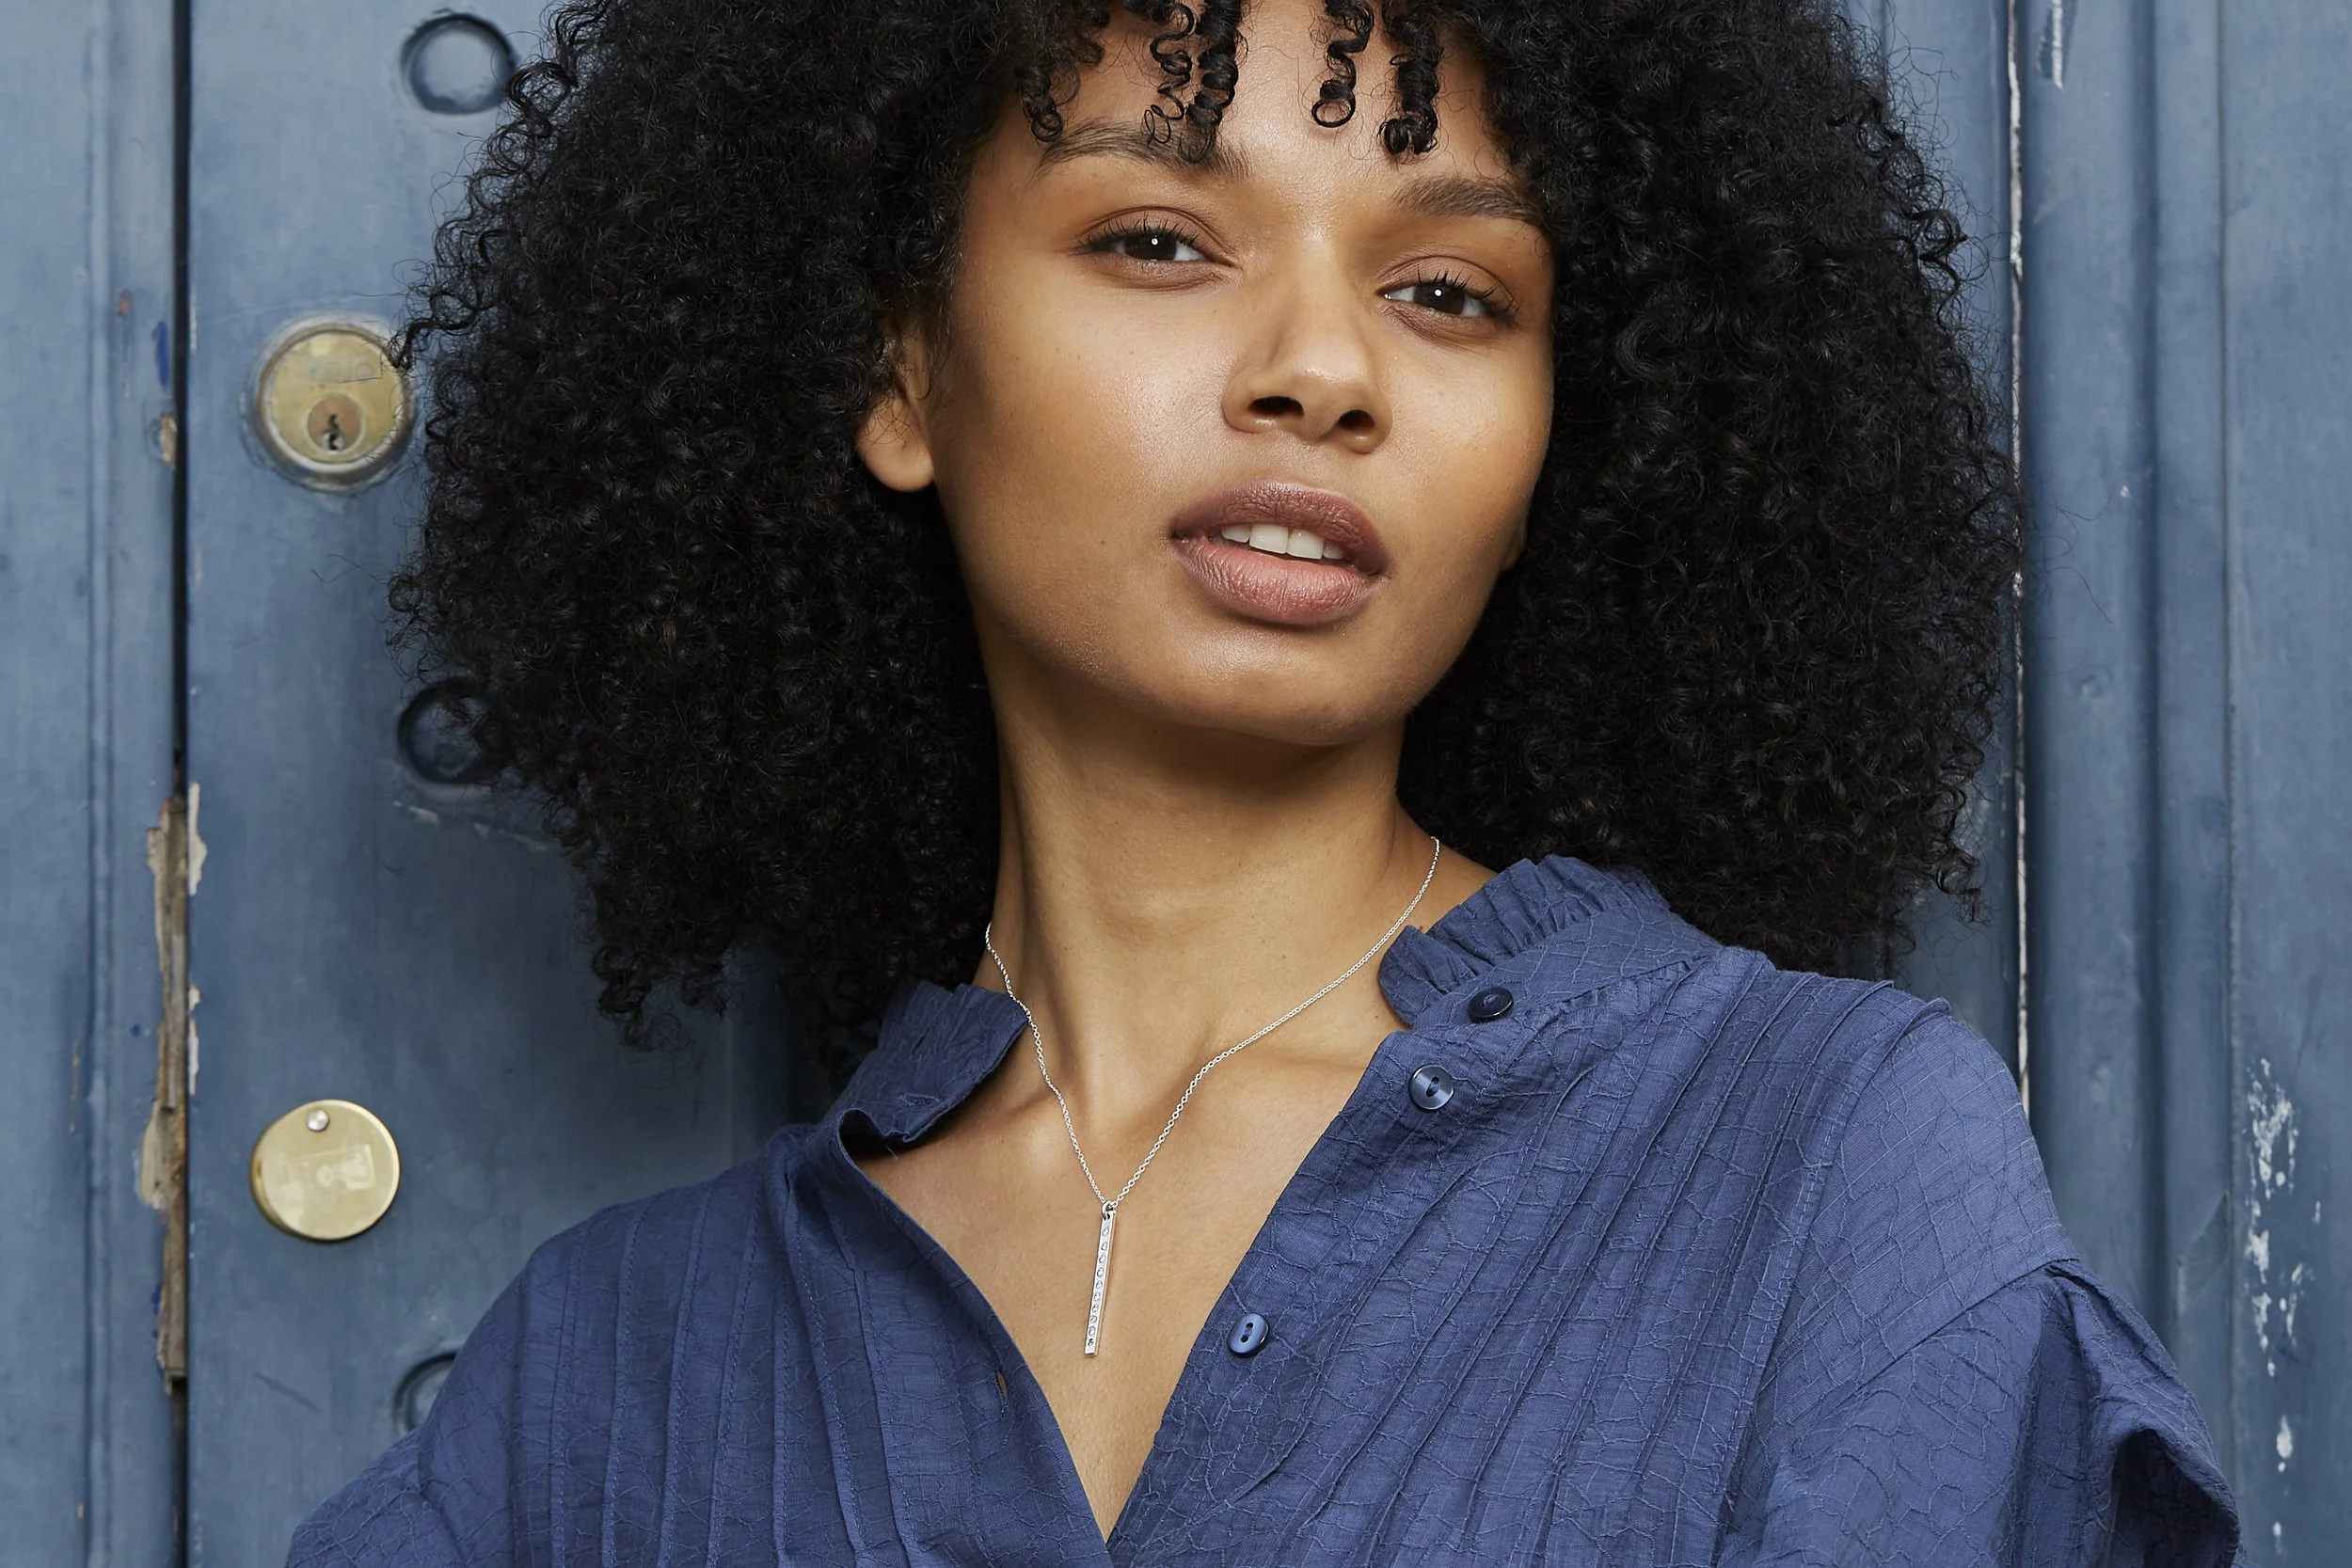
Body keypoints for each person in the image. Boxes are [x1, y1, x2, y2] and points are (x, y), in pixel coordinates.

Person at [291, 0, 2246, 1560]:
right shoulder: (599, 1380)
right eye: (1157, 239)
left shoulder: (1823, 1174)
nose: (1321, 367)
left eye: (1449, 293)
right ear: (895, 371)